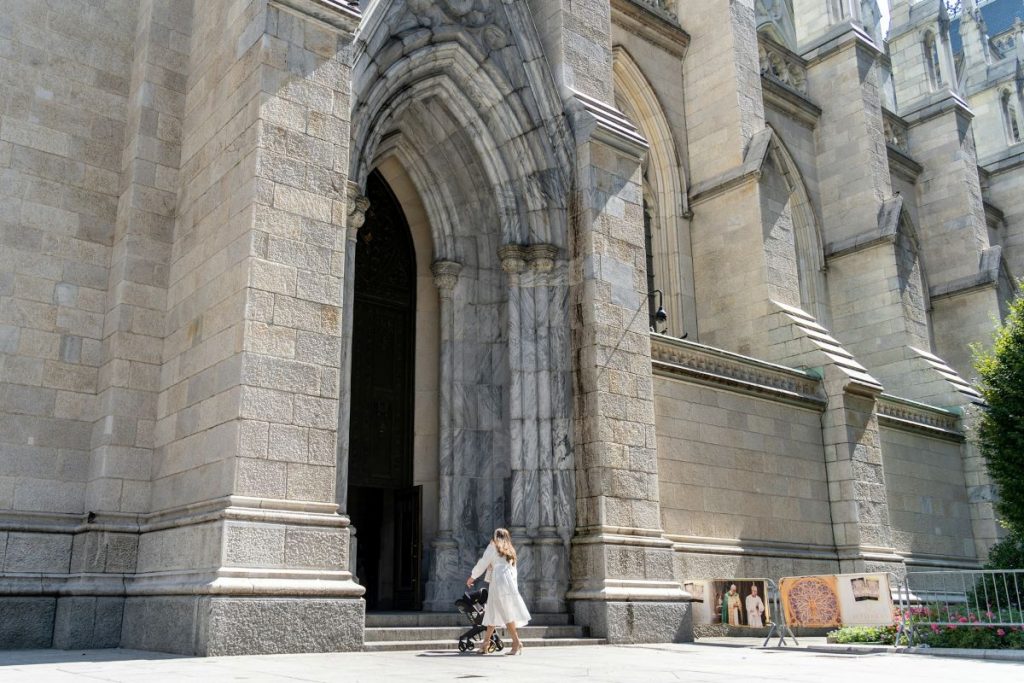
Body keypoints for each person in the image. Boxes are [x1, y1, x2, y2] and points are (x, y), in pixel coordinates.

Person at [467, 528, 531, 655]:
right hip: (508, 582)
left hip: (498, 581)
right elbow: (514, 571)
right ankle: (485, 644)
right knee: (492, 611)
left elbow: (483, 562)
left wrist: (472, 577)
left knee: (504, 612)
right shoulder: (510, 550)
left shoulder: (493, 546)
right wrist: (514, 588)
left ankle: (516, 642)